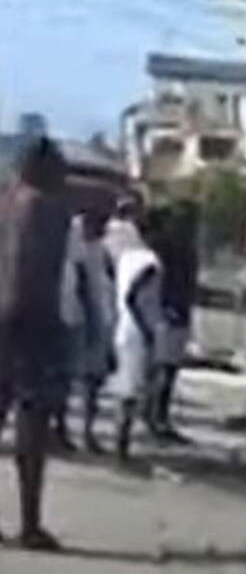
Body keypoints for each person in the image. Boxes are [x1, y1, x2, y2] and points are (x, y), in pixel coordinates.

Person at [0, 137, 72, 551]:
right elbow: (37, 273)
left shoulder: (6, 202)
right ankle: (29, 523)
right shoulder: (48, 208)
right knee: (32, 429)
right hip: (30, 324)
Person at [52, 205, 116, 454]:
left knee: (89, 380)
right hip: (75, 317)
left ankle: (82, 431)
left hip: (89, 316)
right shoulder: (73, 238)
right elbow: (84, 284)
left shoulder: (97, 245)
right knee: (64, 378)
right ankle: (61, 429)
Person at [112, 207, 166, 463]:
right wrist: (148, 330)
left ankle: (121, 443)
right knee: (132, 390)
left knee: (127, 389)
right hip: (137, 331)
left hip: (123, 327)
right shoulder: (150, 262)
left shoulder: (126, 257)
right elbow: (134, 295)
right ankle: (121, 447)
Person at [147, 200, 198, 443]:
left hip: (179, 310)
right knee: (163, 369)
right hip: (168, 310)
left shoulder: (185, 246)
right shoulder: (165, 246)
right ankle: (155, 417)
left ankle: (158, 416)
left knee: (169, 368)